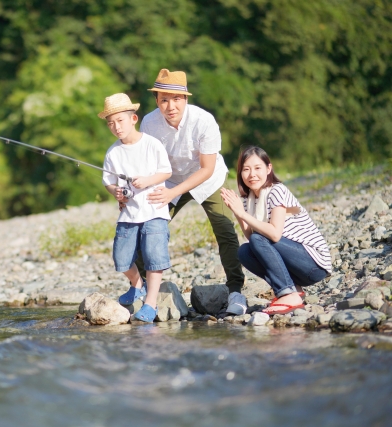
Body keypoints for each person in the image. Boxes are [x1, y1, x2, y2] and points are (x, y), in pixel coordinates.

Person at [140, 69, 246, 315]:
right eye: (164, 100)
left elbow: (207, 168)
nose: (170, 106)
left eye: (176, 99)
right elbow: (146, 163)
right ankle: (142, 288)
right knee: (145, 227)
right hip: (168, 180)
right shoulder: (148, 122)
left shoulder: (204, 120)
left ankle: (235, 291)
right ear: (157, 101)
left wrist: (172, 192)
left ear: (185, 99)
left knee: (224, 228)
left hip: (206, 179)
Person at [220, 146, 332, 315]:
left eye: (258, 168)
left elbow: (274, 233)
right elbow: (252, 238)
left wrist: (242, 213)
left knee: (258, 239)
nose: (252, 174)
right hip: (295, 266)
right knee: (244, 251)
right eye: (246, 169)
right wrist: (238, 213)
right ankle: (293, 289)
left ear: (269, 168)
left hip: (313, 263)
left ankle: (288, 294)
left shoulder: (276, 191)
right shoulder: (249, 198)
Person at [99, 93, 173, 322]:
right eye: (111, 123)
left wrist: (148, 180)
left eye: (120, 121)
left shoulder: (152, 144)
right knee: (121, 258)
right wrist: (116, 193)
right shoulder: (113, 152)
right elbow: (108, 182)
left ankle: (150, 304)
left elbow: (166, 171)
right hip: (128, 214)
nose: (116, 127)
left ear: (133, 119)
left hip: (154, 210)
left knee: (154, 256)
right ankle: (137, 285)